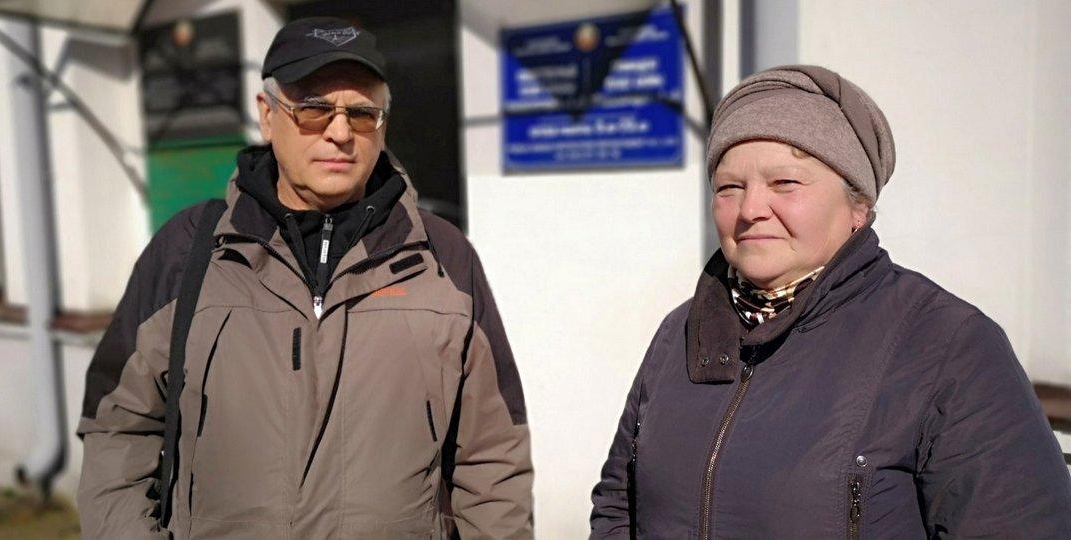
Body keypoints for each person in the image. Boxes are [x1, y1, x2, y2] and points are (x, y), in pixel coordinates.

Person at [77, 17, 533, 539]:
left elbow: (493, 455)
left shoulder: (444, 258)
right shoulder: (188, 252)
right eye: (314, 109)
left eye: (361, 114)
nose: (340, 133)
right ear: (267, 115)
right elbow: (118, 427)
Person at [589, 65, 1071, 538]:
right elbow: (618, 503)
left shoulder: (947, 344)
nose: (751, 209)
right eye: (729, 187)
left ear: (857, 206)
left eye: (785, 183)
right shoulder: (681, 333)